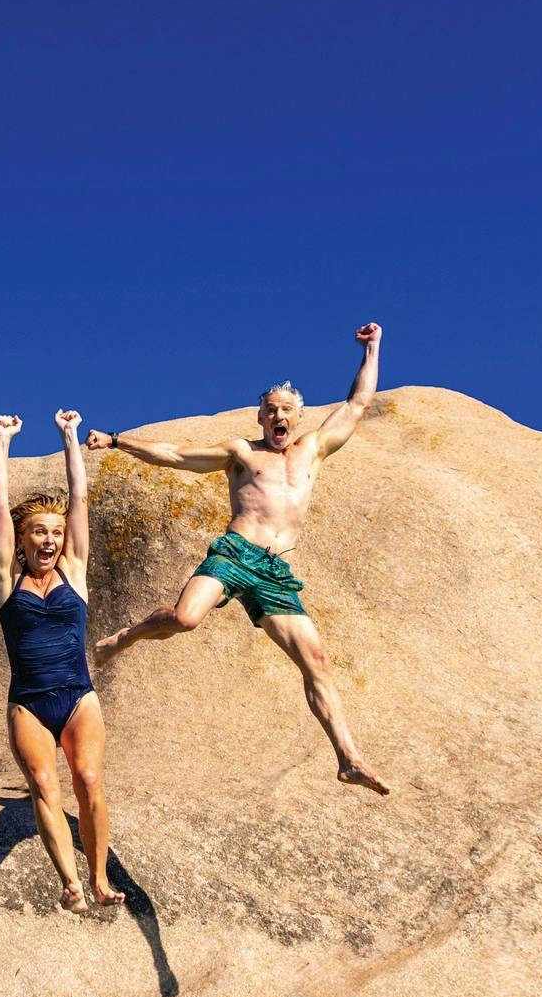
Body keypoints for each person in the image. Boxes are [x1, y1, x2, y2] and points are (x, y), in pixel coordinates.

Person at [85, 323, 391, 794]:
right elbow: (173, 455)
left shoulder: (313, 448)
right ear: (260, 418)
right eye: (270, 411)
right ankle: (124, 638)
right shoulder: (241, 453)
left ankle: (348, 757)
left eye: (286, 410)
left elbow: (357, 404)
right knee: (185, 619)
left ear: (300, 414)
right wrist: (116, 439)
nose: (278, 417)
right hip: (235, 553)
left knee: (317, 662)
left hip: (274, 571)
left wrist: (372, 348)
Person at [0, 410, 118, 910]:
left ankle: (99, 876)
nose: (48, 540)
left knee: (87, 780)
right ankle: (70, 883)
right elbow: (0, 507)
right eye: (38, 532)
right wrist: (2, 442)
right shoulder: (8, 582)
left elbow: (80, 500)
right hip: (28, 703)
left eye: (55, 533)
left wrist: (70, 439)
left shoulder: (76, 573)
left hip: (78, 696)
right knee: (45, 784)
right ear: (23, 540)